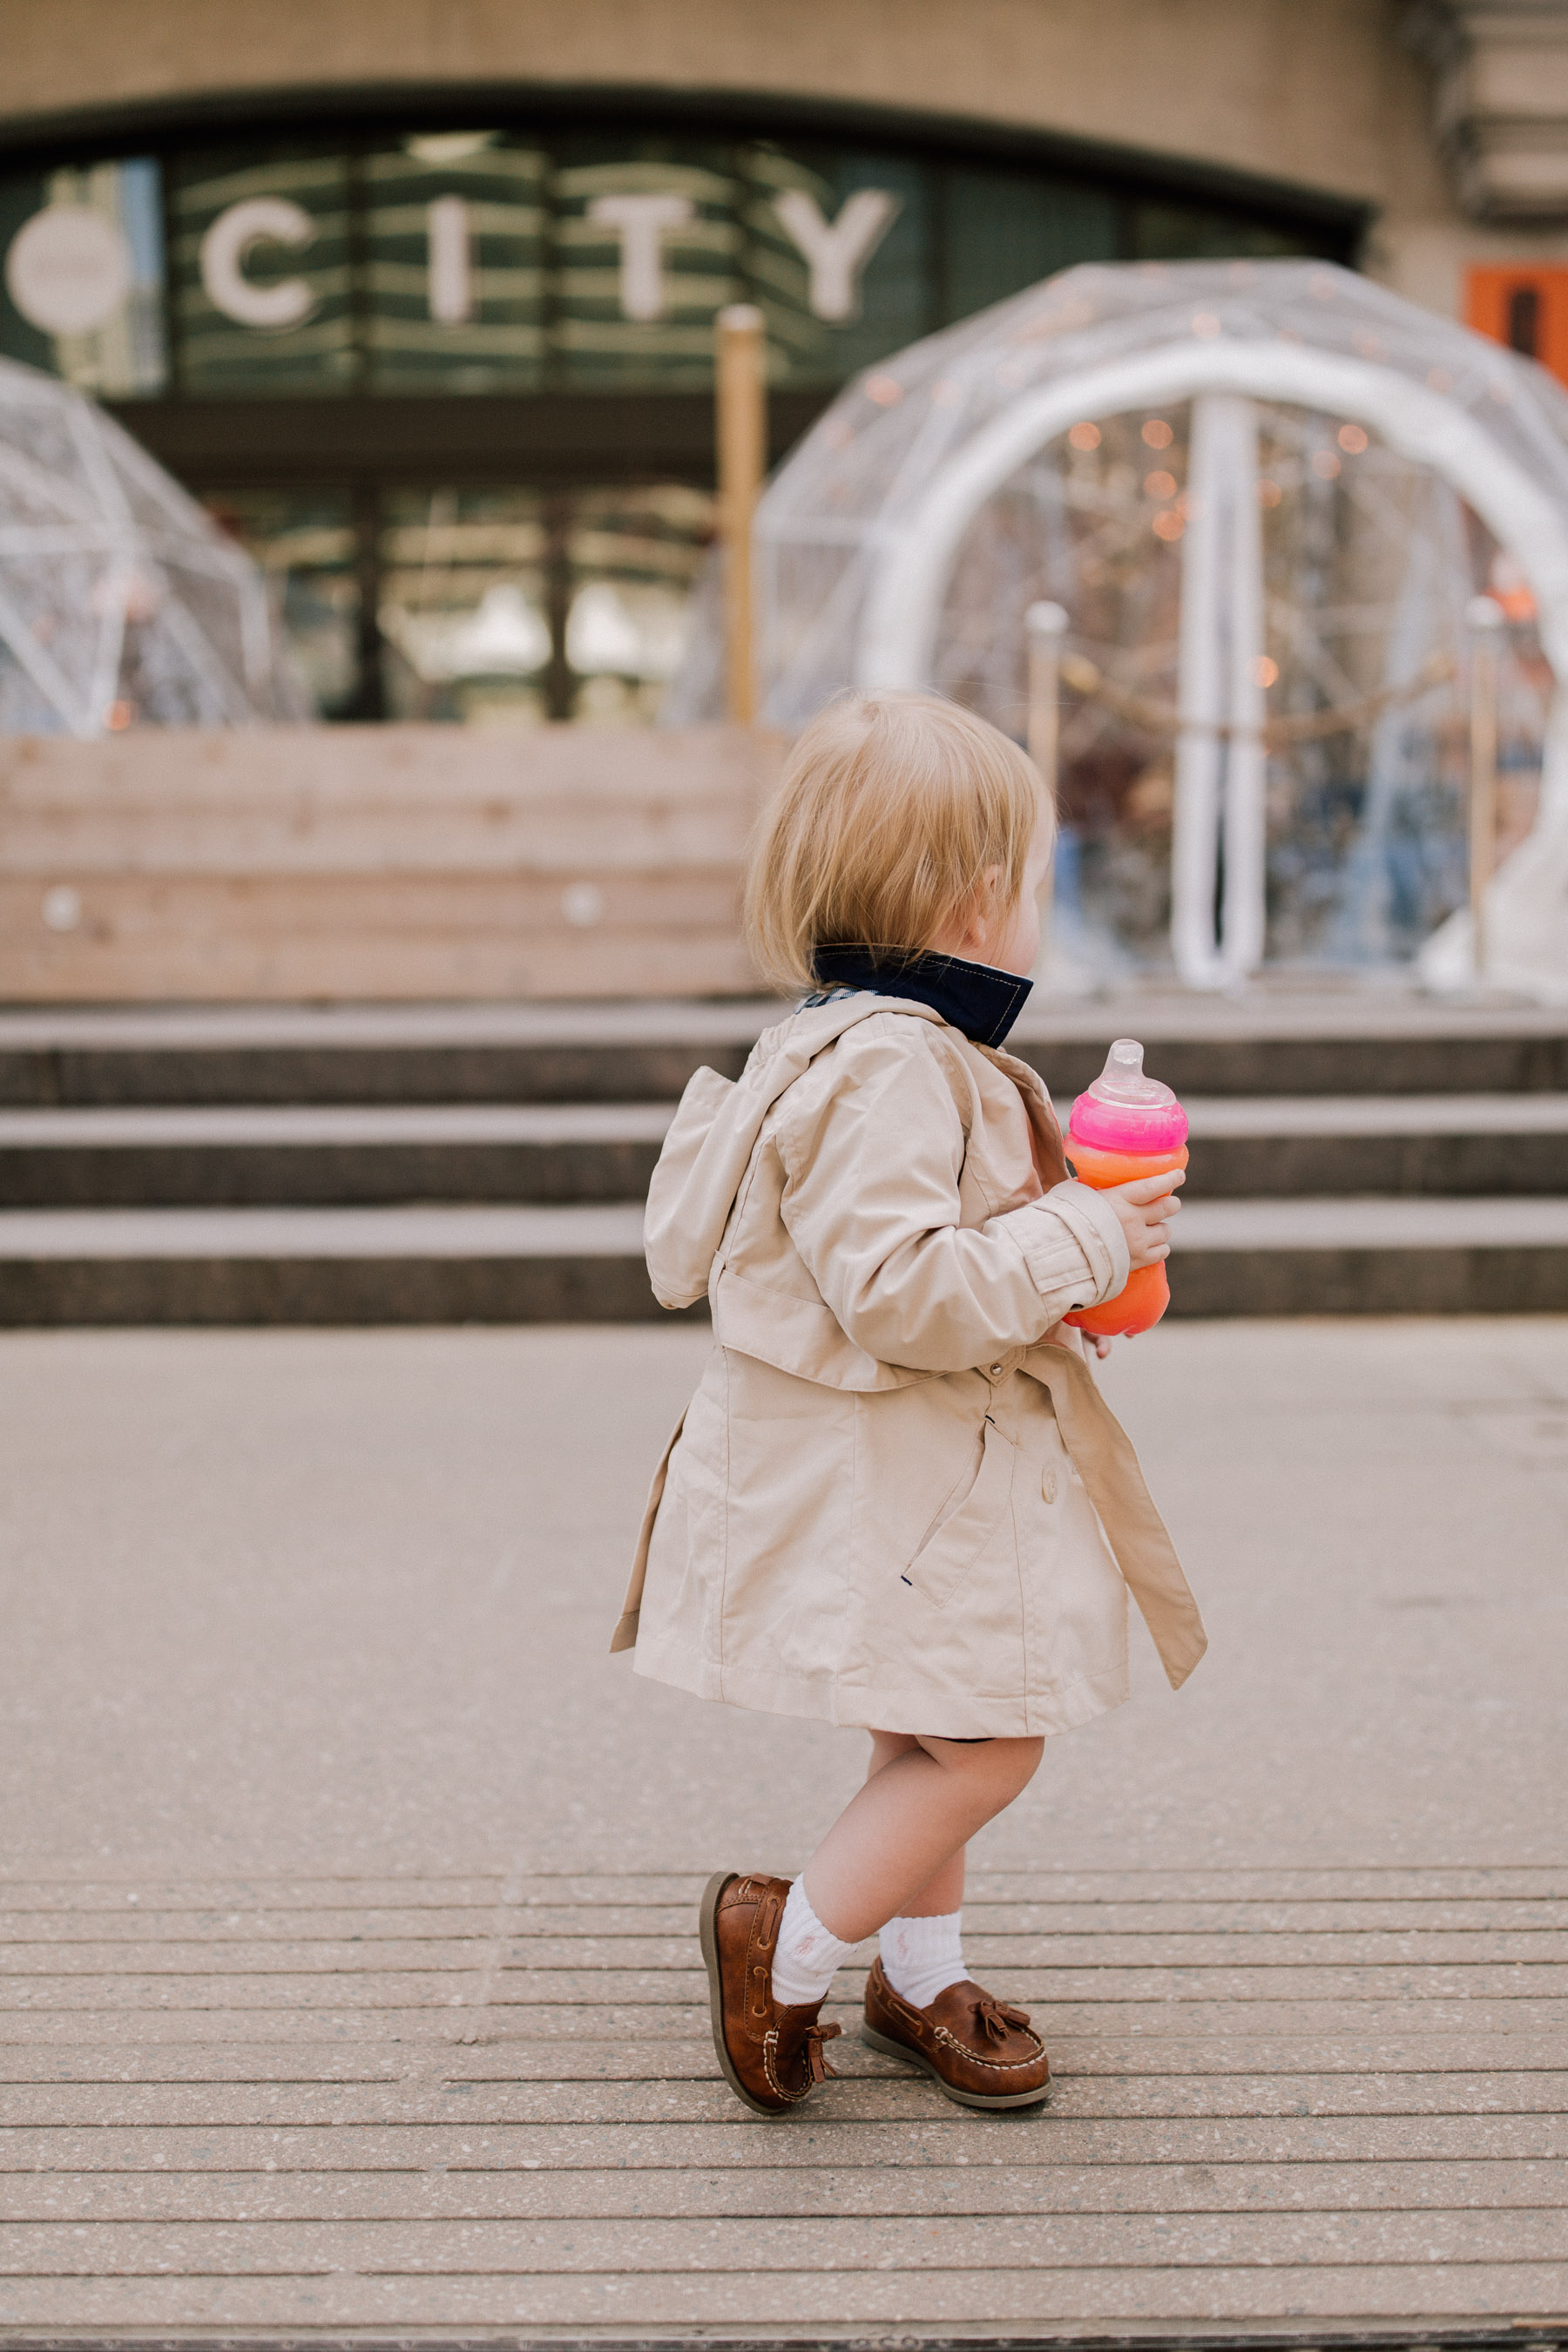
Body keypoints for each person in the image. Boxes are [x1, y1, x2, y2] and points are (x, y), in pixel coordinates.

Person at [612, 689, 1205, 2117]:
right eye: (1038, 882)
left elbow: (923, 1269)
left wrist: (1053, 1277)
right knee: (992, 1740)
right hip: (903, 1481)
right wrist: (1081, 1239)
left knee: (927, 1727)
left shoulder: (880, 1046)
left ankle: (921, 1973)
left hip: (905, 1468)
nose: (1043, 910)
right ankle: (792, 1942)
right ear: (973, 896)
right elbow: (898, 1289)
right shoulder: (890, 1064)